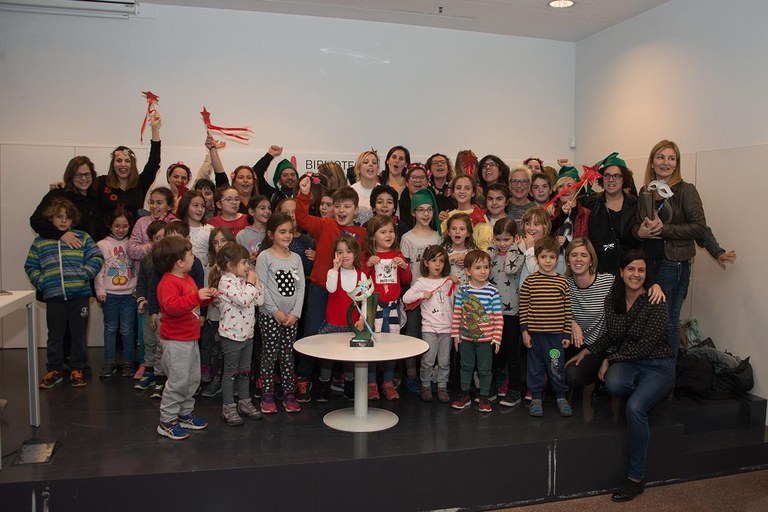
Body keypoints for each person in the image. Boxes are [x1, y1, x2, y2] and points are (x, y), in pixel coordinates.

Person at [567, 250, 674, 502]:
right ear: (622, 272)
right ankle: (646, 393)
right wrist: (588, 351)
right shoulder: (613, 299)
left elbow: (646, 346)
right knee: (614, 382)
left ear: (646, 274)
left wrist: (609, 358)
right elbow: (611, 335)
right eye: (631, 269)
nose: (636, 275)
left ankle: (635, 479)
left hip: (658, 365)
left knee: (634, 407)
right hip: (631, 363)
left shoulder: (655, 299)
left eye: (641, 270)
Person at [633, 140, 709, 356]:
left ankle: (668, 371)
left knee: (667, 320)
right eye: (660, 157)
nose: (665, 162)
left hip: (673, 263)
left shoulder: (686, 190)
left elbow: (699, 227)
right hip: (649, 263)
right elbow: (637, 225)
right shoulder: (646, 191)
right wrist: (640, 232)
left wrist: (664, 229)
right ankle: (656, 367)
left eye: (671, 158)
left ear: (677, 164)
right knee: (652, 318)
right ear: (652, 162)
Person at [294, 175, 367, 401]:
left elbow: (363, 262)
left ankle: (345, 381)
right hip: (321, 290)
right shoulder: (325, 224)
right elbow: (302, 219)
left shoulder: (362, 234)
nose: (341, 210)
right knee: (312, 334)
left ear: (356, 210)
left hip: (347, 293)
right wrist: (304, 195)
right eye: (337, 206)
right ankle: (305, 378)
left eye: (347, 206)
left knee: (346, 335)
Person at [25, 198, 104, 389]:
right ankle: (54, 369)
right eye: (59, 217)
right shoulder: (40, 242)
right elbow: (31, 265)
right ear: (51, 218)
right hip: (54, 297)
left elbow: (97, 256)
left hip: (79, 295)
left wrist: (85, 274)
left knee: (78, 334)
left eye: (67, 217)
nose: (63, 221)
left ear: (73, 219)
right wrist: (42, 282)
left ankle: (77, 368)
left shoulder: (82, 237)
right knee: (55, 335)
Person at [154, 235, 216, 440]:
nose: (193, 257)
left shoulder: (187, 279)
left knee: (192, 379)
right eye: (190, 254)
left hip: (190, 338)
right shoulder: (168, 283)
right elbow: (172, 307)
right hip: (175, 341)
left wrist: (206, 299)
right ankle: (167, 420)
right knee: (178, 381)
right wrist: (196, 297)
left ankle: (184, 413)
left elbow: (192, 305)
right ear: (179, 261)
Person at [256, 213, 306, 413]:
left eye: (290, 232)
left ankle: (289, 393)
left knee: (287, 355)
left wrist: (295, 313)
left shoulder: (295, 258)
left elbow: (300, 287)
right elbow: (261, 286)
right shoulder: (265, 257)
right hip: (271, 316)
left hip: (291, 318)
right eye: (282, 232)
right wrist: (274, 311)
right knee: (269, 354)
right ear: (271, 234)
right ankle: (267, 393)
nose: (287, 236)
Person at [519, 236, 573, 418]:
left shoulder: (562, 282)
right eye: (543, 257)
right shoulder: (530, 282)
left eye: (552, 257)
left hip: (556, 337)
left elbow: (567, 309)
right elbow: (523, 308)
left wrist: (566, 334)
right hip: (535, 336)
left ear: (557, 259)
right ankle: (536, 397)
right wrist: (525, 332)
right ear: (536, 259)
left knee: (556, 367)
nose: (548, 261)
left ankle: (561, 396)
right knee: (535, 368)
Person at [211, 242, 264, 426]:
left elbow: (259, 300)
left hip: (248, 334)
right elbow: (242, 300)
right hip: (232, 336)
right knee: (231, 372)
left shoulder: (244, 280)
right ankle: (228, 406)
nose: (247, 266)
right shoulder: (226, 282)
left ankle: (244, 401)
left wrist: (256, 283)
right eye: (243, 263)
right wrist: (250, 283)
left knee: (245, 371)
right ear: (229, 265)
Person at [364, 215, 412, 400]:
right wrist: (368, 266)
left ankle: (388, 382)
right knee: (372, 345)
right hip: (373, 308)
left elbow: (406, 280)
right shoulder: (368, 256)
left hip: (392, 308)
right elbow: (361, 280)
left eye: (391, 231)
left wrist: (404, 266)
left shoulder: (397, 255)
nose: (388, 235)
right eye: (383, 232)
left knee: (392, 346)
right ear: (373, 236)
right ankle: (371, 383)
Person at [450, 250, 503, 413]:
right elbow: (457, 313)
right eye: (478, 267)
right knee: (466, 367)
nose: (483, 271)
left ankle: (484, 396)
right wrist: (455, 334)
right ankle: (464, 394)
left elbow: (498, 316)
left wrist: (497, 337)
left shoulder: (492, 291)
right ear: (468, 271)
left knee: (485, 369)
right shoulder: (463, 290)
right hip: (465, 338)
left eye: (486, 267)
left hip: (486, 340)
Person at [316, 234, 367, 401]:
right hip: (333, 324)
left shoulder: (361, 276)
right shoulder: (332, 273)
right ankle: (323, 386)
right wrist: (335, 270)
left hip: (352, 326)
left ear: (356, 253)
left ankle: (350, 386)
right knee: (327, 359)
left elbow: (365, 301)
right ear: (335, 255)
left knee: (349, 360)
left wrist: (362, 319)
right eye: (340, 252)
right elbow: (331, 289)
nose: (344, 255)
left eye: (348, 251)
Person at [402, 245, 454, 403]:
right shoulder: (421, 282)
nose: (437, 264)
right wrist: (421, 294)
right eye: (433, 260)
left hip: (447, 329)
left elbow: (458, 299)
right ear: (426, 263)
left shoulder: (448, 281)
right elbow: (406, 298)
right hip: (429, 328)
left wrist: (457, 283)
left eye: (441, 261)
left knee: (444, 361)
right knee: (428, 361)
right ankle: (425, 385)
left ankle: (442, 386)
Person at [96, 209, 138, 378]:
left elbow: (137, 269)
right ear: (110, 226)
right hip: (110, 295)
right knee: (110, 328)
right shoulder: (102, 245)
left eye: (125, 226)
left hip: (129, 295)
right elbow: (99, 270)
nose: (121, 230)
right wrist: (100, 290)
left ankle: (128, 362)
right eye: (117, 226)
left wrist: (137, 289)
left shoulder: (132, 244)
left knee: (127, 330)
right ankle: (109, 361)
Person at [98, 112, 162, 223]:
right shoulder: (101, 182)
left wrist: (155, 130)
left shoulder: (140, 183)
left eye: (127, 161)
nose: (123, 164)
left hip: (134, 233)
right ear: (113, 164)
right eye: (119, 160)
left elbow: (154, 163)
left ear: (132, 164)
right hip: (105, 233)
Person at [488, 218, 525, 407]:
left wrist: (514, 248)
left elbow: (510, 269)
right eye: (499, 239)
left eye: (507, 239)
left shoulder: (518, 255)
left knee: (512, 354)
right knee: (494, 353)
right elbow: (483, 268)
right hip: (493, 313)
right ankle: (492, 386)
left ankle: (515, 390)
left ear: (515, 238)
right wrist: (491, 248)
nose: (502, 243)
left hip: (512, 313)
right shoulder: (492, 254)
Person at [582, 153, 638, 275]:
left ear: (624, 178)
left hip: (629, 269)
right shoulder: (591, 203)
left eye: (616, 176)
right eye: (607, 175)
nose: (611, 180)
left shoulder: (635, 204)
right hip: (600, 270)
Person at [31, 155, 104, 244]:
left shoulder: (97, 193)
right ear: (70, 176)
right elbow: (36, 221)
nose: (83, 178)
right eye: (78, 175)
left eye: (87, 174)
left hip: (95, 248)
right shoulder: (59, 193)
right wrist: (61, 234)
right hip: (68, 249)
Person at [200, 227, 237, 398]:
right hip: (217, 316)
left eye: (223, 240)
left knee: (233, 352)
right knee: (217, 350)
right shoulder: (210, 267)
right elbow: (207, 291)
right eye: (215, 242)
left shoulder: (238, 266)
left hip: (236, 318)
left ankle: (233, 381)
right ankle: (217, 379)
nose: (220, 245)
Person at [133, 221, 167, 390]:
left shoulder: (171, 261)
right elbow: (141, 284)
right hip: (148, 307)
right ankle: (149, 370)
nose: (161, 241)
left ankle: (161, 374)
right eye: (157, 238)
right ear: (151, 240)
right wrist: (141, 299)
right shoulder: (147, 260)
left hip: (164, 309)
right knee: (149, 341)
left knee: (162, 344)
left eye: (164, 237)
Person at [440, 174, 492, 250]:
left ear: (473, 193)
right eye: (458, 188)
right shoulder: (447, 216)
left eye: (467, 188)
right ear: (453, 193)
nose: (462, 191)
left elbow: (486, 245)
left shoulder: (480, 216)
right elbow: (443, 243)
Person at [127, 187, 176, 262]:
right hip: (144, 268)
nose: (154, 206)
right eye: (152, 202)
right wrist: (152, 245)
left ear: (169, 206)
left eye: (159, 203)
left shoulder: (174, 224)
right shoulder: (142, 222)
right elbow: (131, 251)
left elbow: (176, 252)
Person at [442, 213, 478, 287]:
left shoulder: (474, 252)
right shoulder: (443, 251)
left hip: (468, 292)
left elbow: (479, 271)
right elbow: (438, 271)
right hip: (448, 291)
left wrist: (468, 262)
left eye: (462, 229)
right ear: (448, 232)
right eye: (453, 229)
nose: (457, 232)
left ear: (468, 233)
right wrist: (450, 258)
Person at [396, 164, 429, 237]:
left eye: (422, 177)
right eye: (413, 177)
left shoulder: (435, 204)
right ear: (407, 183)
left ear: (427, 183)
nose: (418, 180)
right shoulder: (398, 206)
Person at [236, 195, 271, 260]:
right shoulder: (242, 235)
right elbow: (237, 259)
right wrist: (247, 259)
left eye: (269, 208)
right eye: (262, 208)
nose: (267, 211)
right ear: (251, 212)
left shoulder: (273, 233)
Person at [351, 149, 380, 226]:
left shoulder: (383, 191)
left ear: (377, 169)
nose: (371, 164)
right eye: (366, 162)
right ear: (358, 168)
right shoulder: (351, 191)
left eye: (374, 162)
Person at [506, 166, 536, 231]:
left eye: (524, 181)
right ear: (509, 185)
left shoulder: (535, 209)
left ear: (529, 185)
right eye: (514, 181)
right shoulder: (503, 206)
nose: (519, 185)